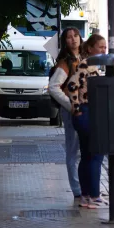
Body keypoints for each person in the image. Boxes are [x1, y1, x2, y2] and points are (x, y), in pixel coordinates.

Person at [66, 34, 107, 209]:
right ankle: (93, 196)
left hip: (86, 113)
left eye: (105, 48)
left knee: (87, 156)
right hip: (86, 112)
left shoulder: (90, 65)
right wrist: (76, 107)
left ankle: (86, 195)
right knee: (95, 155)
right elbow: (71, 86)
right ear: (90, 48)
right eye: (100, 47)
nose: (104, 50)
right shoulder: (86, 65)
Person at [49, 27, 83, 201]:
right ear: (65, 41)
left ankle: (84, 187)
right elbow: (53, 87)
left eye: (76, 35)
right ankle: (77, 189)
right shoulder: (65, 63)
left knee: (83, 150)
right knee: (73, 150)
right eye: (69, 37)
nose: (73, 39)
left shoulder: (83, 58)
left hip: (83, 110)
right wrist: (70, 105)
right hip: (72, 111)